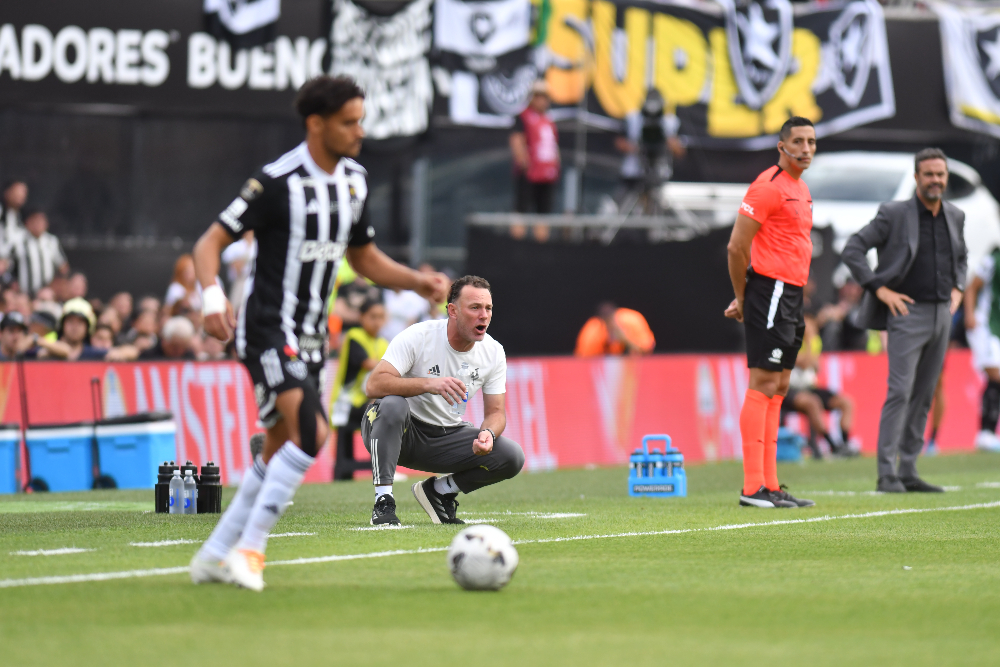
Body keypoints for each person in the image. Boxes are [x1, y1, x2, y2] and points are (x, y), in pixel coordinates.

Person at [188, 75, 450, 592]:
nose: (360, 131)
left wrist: (417, 280)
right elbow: (208, 243)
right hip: (266, 329)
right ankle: (250, 551)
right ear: (317, 124)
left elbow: (364, 258)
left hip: (311, 339)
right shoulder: (276, 180)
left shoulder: (354, 180)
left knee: (281, 442)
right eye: (349, 122)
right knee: (313, 433)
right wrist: (212, 297)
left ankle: (214, 553)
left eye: (361, 120)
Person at [842, 148, 967, 493]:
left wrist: (958, 287)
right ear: (916, 178)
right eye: (928, 174)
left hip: (943, 312)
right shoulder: (893, 214)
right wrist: (879, 289)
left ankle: (909, 470)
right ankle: (886, 474)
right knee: (900, 391)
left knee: (925, 393)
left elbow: (962, 256)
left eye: (940, 175)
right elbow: (853, 248)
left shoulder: (955, 215)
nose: (935, 181)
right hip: (906, 313)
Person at [363, 275, 523, 526]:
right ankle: (384, 501)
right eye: (475, 308)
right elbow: (374, 385)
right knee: (393, 404)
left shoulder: (493, 351)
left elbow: (496, 412)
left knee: (511, 456)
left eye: (488, 308)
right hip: (401, 431)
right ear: (452, 311)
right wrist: (428, 384)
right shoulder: (419, 335)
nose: (484, 315)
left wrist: (488, 434)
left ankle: (439, 491)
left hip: (444, 437)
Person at [724, 116, 818, 510]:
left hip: (791, 295)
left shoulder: (801, 187)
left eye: (811, 141)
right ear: (781, 146)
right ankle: (752, 488)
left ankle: (771, 484)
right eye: (797, 141)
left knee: (779, 388)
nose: (806, 148)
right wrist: (744, 298)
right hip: (772, 291)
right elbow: (735, 248)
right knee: (763, 382)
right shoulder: (768, 187)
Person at [330, 298, 388, 480]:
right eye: (372, 317)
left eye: (381, 317)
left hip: (367, 401)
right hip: (346, 403)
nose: (377, 322)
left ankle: (383, 467)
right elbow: (368, 363)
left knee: (385, 407)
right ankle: (383, 468)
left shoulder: (383, 343)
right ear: (362, 318)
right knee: (382, 411)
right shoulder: (354, 336)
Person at [614, 89, 685, 213]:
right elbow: (619, 142)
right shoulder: (633, 119)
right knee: (621, 207)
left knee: (664, 205)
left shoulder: (670, 122)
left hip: (660, 174)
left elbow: (680, 151)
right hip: (634, 175)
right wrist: (639, 148)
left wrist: (666, 143)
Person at [510, 80, 560, 241]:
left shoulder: (548, 120)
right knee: (521, 211)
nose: (542, 100)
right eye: (538, 96)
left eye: (545, 97)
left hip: (546, 174)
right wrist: (523, 161)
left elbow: (552, 145)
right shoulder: (524, 117)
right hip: (530, 172)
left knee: (543, 213)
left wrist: (555, 165)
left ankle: (540, 245)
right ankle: (517, 245)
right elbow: (517, 140)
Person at [961, 248, 1000, 451]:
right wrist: (969, 314)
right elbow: (972, 287)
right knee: (996, 375)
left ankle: (989, 432)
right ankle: (986, 433)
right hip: (986, 325)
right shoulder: (992, 259)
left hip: (998, 328)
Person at [12, 209, 68, 297]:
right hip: (24, 294)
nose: (38, 225)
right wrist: (12, 283)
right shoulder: (18, 241)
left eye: (41, 221)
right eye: (35, 221)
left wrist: (56, 286)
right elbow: (7, 264)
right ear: (27, 223)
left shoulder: (51, 241)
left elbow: (63, 267)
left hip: (47, 293)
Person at [31, 297, 106, 361]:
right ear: (62, 324)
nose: (75, 327)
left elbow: (114, 352)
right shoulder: (47, 349)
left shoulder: (93, 354)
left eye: (80, 323)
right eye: (70, 321)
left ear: (88, 327)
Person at [574, 302, 655, 357]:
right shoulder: (593, 330)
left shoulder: (632, 320)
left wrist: (626, 340)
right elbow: (583, 360)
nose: (611, 326)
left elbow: (647, 350)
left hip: (635, 368)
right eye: (606, 322)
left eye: (612, 321)